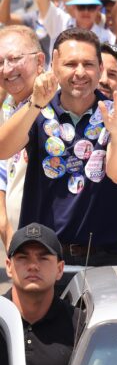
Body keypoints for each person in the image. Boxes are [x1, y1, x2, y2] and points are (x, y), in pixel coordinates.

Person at [0, 28, 117, 266]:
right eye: (70, 64)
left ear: (99, 69)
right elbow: (3, 149)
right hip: (42, 255)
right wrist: (34, 104)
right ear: (54, 65)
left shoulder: (115, 113)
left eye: (88, 64)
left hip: (104, 256)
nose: (79, 72)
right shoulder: (36, 109)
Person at [0, 223, 83, 365]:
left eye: (43, 258)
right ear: (9, 266)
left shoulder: (78, 326)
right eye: (23, 258)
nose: (33, 266)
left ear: (60, 269)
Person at [0, 26, 45, 251]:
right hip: (18, 240)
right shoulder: (8, 105)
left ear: (40, 61)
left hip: (49, 243)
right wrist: (4, 225)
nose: (6, 69)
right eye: (0, 62)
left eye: (14, 58)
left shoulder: (58, 103)